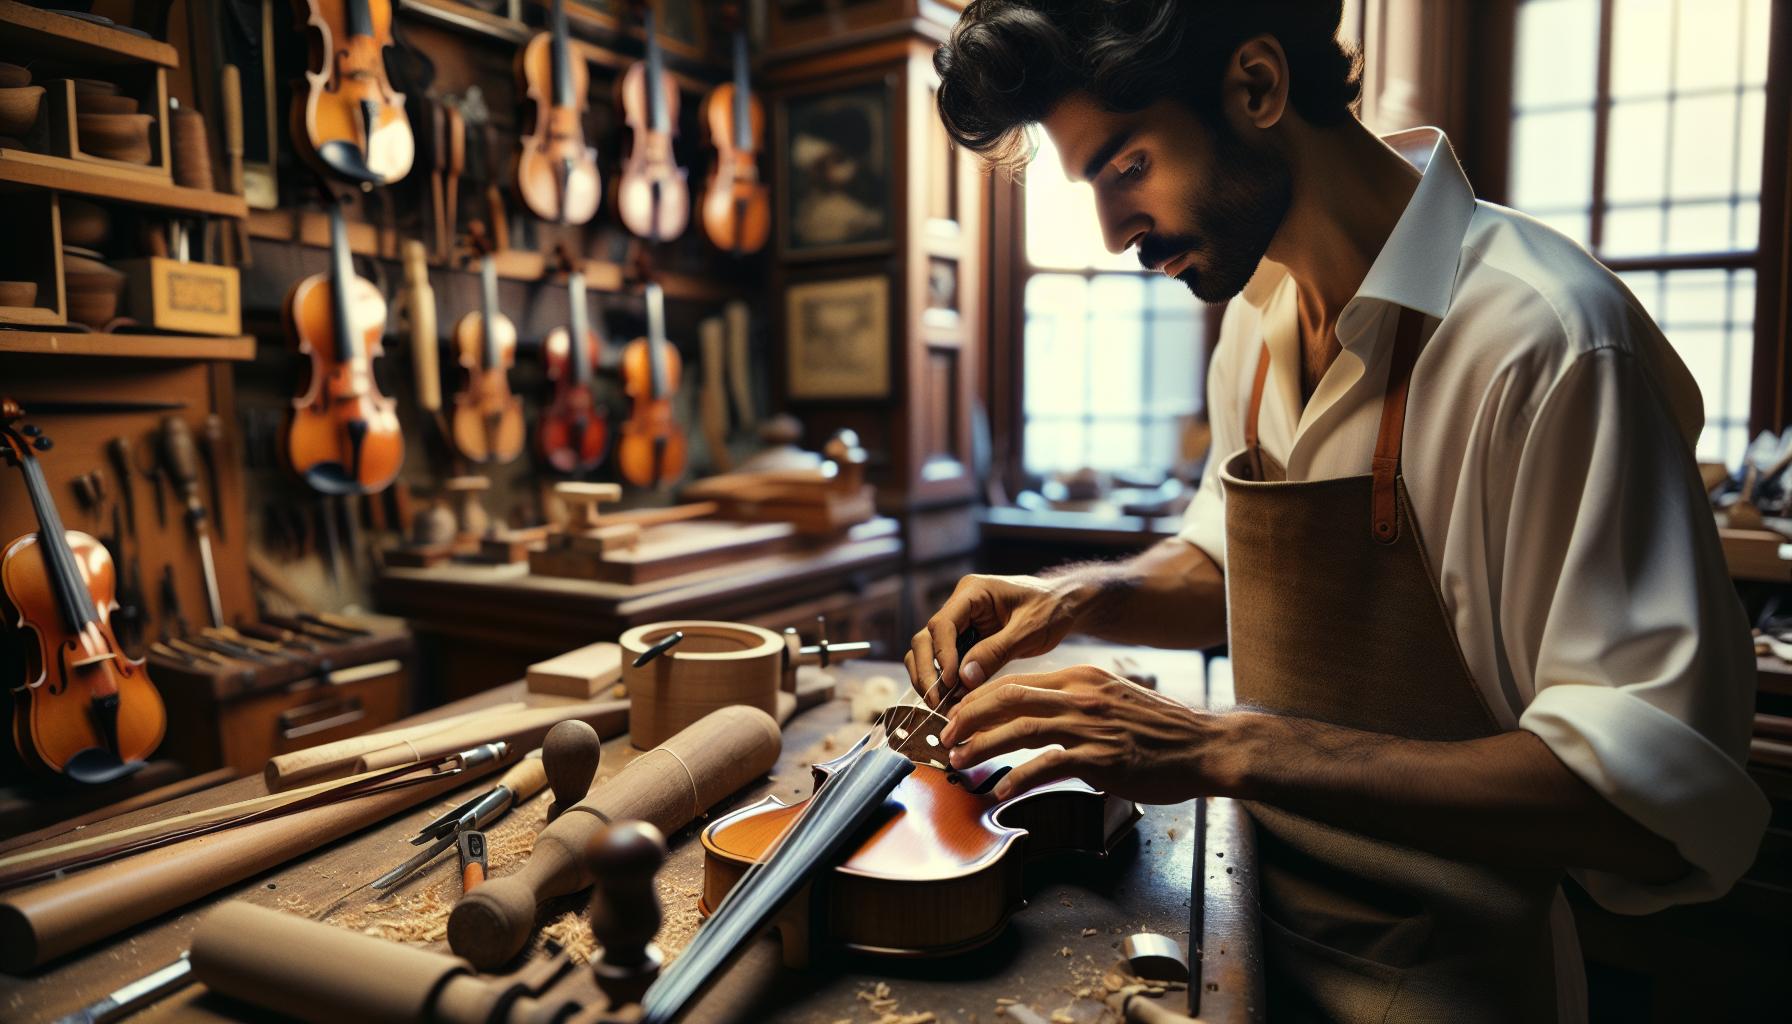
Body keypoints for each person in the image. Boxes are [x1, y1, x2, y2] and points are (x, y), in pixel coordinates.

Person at [907, 2, 1768, 1020]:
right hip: (1237, 926)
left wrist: (1213, 744)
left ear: (1258, 87)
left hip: (1449, 983)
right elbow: (1225, 570)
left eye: (1125, 167)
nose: (1111, 233)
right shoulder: (1258, 316)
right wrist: (1066, 602)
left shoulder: (1547, 345)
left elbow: (1646, 808)